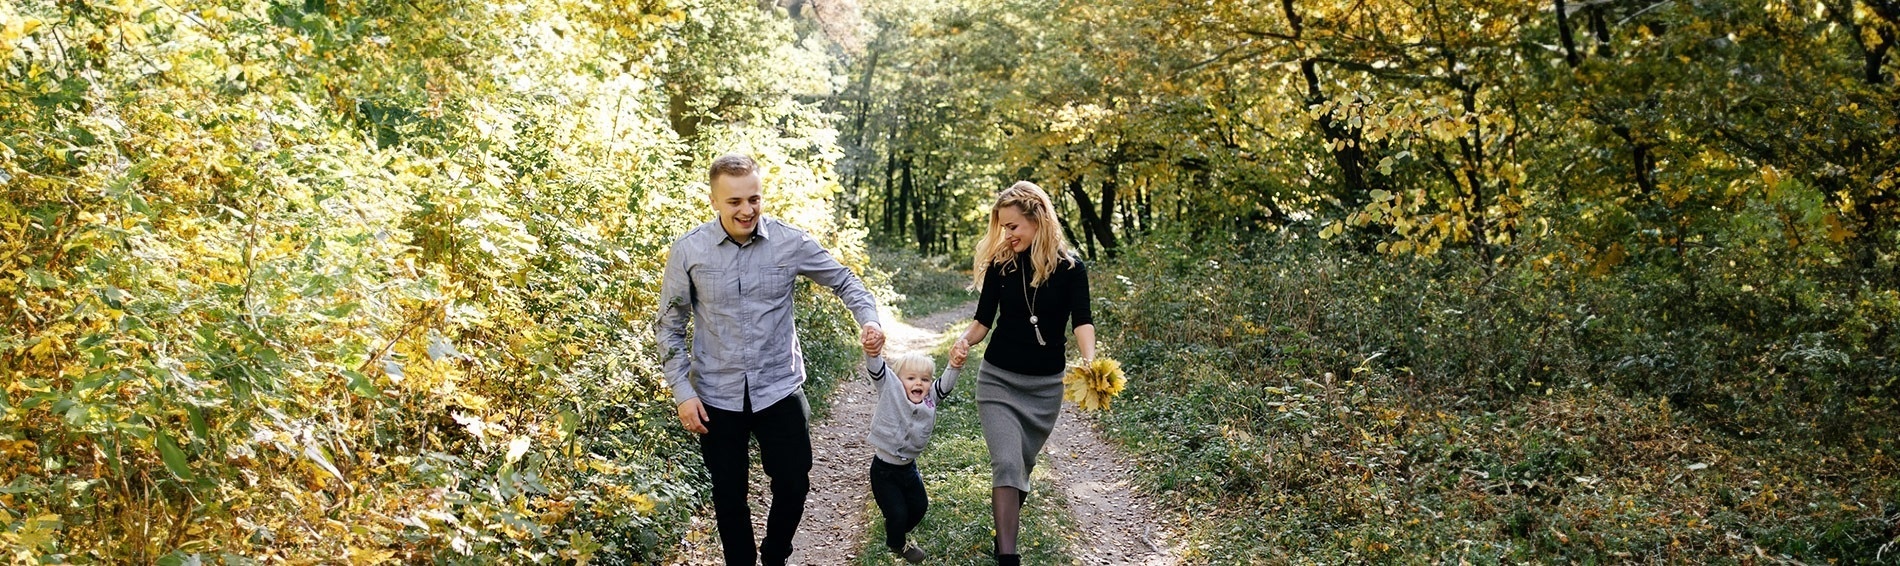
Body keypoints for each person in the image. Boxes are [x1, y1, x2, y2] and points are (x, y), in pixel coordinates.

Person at [655, 153, 886, 566]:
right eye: (734, 202)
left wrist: (868, 320)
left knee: (794, 483)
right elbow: (669, 326)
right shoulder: (689, 251)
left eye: (754, 199)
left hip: (779, 387)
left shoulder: (789, 241)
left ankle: (775, 555)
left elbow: (845, 280)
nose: (747, 210)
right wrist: (682, 392)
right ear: (714, 201)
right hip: (715, 395)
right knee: (729, 496)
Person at [949, 181, 1097, 566]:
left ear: (1038, 219)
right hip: (998, 380)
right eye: (1002, 227)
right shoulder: (1002, 266)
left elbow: (1082, 320)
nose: (1006, 234)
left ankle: (1004, 530)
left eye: (1013, 226)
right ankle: (1008, 558)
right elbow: (983, 321)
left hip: (1045, 388)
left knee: (1021, 470)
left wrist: (1090, 360)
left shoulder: (1071, 269)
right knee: (1008, 464)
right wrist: (964, 341)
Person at [860, 337, 967, 563]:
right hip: (884, 471)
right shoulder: (890, 389)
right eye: (911, 378)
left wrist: (955, 365)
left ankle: (895, 528)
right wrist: (872, 350)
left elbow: (945, 384)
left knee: (919, 507)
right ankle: (896, 542)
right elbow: (876, 367)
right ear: (899, 380)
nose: (919, 383)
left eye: (925, 379)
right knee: (898, 512)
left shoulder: (930, 399)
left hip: (909, 468)